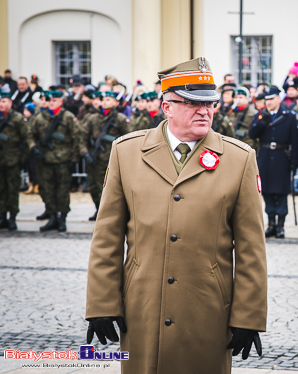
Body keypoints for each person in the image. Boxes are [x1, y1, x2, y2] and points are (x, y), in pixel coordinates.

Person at [85, 57, 267, 373]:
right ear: (167, 107)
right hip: (142, 310)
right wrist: (101, 304)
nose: (205, 111)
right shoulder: (127, 152)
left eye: (210, 103)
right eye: (193, 103)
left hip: (207, 313)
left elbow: (252, 249)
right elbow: (107, 236)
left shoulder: (239, 159)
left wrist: (248, 316)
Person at [249, 85, 298, 238]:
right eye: (267, 100)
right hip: (265, 157)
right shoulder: (261, 116)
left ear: (278, 99)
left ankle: (280, 226)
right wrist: (261, 121)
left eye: (272, 99)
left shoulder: (288, 116)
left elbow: (295, 142)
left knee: (281, 192)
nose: (269, 102)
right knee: (267, 192)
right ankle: (271, 224)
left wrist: (295, 163)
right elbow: (252, 134)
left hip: (282, 157)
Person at [28, 91, 82, 232]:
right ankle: (52, 217)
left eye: (54, 100)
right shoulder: (39, 118)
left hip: (63, 160)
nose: (51, 102)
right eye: (49, 100)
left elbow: (77, 138)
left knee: (63, 191)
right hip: (44, 160)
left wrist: (74, 159)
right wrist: (34, 149)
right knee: (47, 189)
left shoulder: (68, 117)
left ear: (60, 101)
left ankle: (62, 218)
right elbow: (29, 135)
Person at [81, 91, 131, 221]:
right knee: (93, 187)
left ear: (115, 102)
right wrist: (85, 153)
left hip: (112, 159)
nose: (105, 102)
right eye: (102, 99)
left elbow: (128, 138)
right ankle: (99, 209)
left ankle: (110, 213)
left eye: (108, 99)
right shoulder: (93, 118)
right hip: (95, 159)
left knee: (110, 188)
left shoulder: (120, 119)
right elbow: (82, 137)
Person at [0, 92, 30, 230]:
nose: (1, 104)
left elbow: (26, 139)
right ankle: (2, 216)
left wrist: (23, 159)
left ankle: (12, 217)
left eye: (4, 101)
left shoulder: (17, 118)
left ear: (10, 103)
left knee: (12, 190)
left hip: (13, 160)